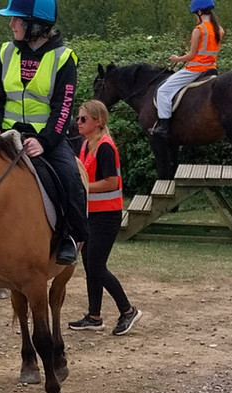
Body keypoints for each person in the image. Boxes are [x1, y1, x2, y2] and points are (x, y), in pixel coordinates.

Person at [0, 0, 88, 265]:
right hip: (3, 134)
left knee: (70, 177)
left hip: (43, 139)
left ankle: (70, 236)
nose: (11, 24)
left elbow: (63, 107)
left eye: (16, 19)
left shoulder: (64, 58)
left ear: (36, 25)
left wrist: (45, 141)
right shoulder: (6, 52)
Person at [68, 100, 141, 335]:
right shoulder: (86, 145)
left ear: (98, 122)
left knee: (97, 266)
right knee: (91, 265)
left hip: (106, 216)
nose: (78, 123)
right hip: (92, 214)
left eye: (83, 119)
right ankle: (94, 316)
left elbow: (112, 182)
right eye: (78, 118)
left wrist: (83, 186)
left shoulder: (105, 147)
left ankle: (128, 310)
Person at [151, 0, 224, 138]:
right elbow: (204, 52)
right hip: (211, 68)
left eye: (195, 14)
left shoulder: (199, 30)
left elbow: (191, 55)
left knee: (163, 91)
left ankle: (164, 126)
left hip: (195, 69)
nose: (195, 17)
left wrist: (177, 59)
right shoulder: (219, 29)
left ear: (200, 12)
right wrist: (191, 56)